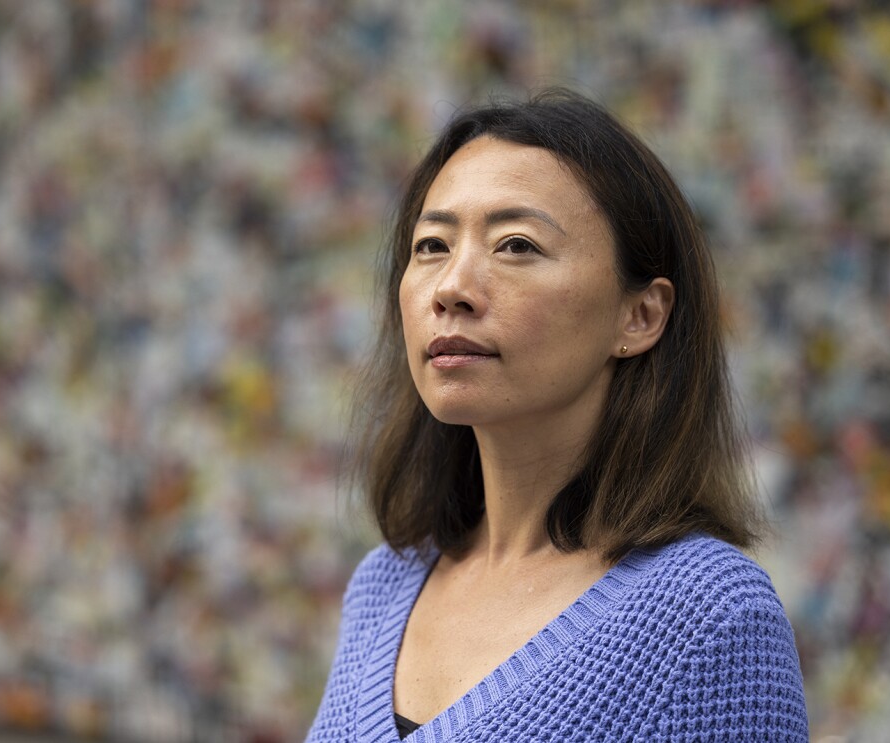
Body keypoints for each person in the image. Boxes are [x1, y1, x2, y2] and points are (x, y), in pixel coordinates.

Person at [307, 88, 809, 741]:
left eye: (515, 245)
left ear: (640, 315)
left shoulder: (707, 615)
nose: (452, 287)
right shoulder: (384, 584)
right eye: (432, 245)